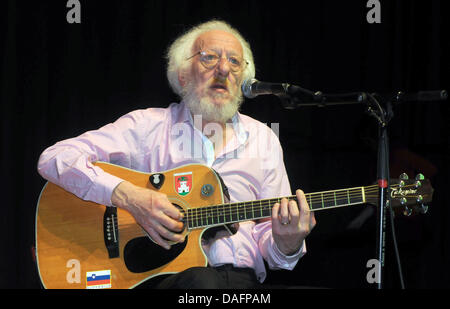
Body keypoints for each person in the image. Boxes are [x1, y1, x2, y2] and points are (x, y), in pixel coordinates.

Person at [37, 19, 316, 289]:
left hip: (241, 283)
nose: (223, 69)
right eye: (209, 57)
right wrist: (131, 197)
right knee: (201, 283)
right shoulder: (147, 126)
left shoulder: (264, 139)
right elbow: (56, 157)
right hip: (162, 276)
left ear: (244, 78)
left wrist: (287, 242)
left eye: (234, 62)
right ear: (182, 74)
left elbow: (273, 247)